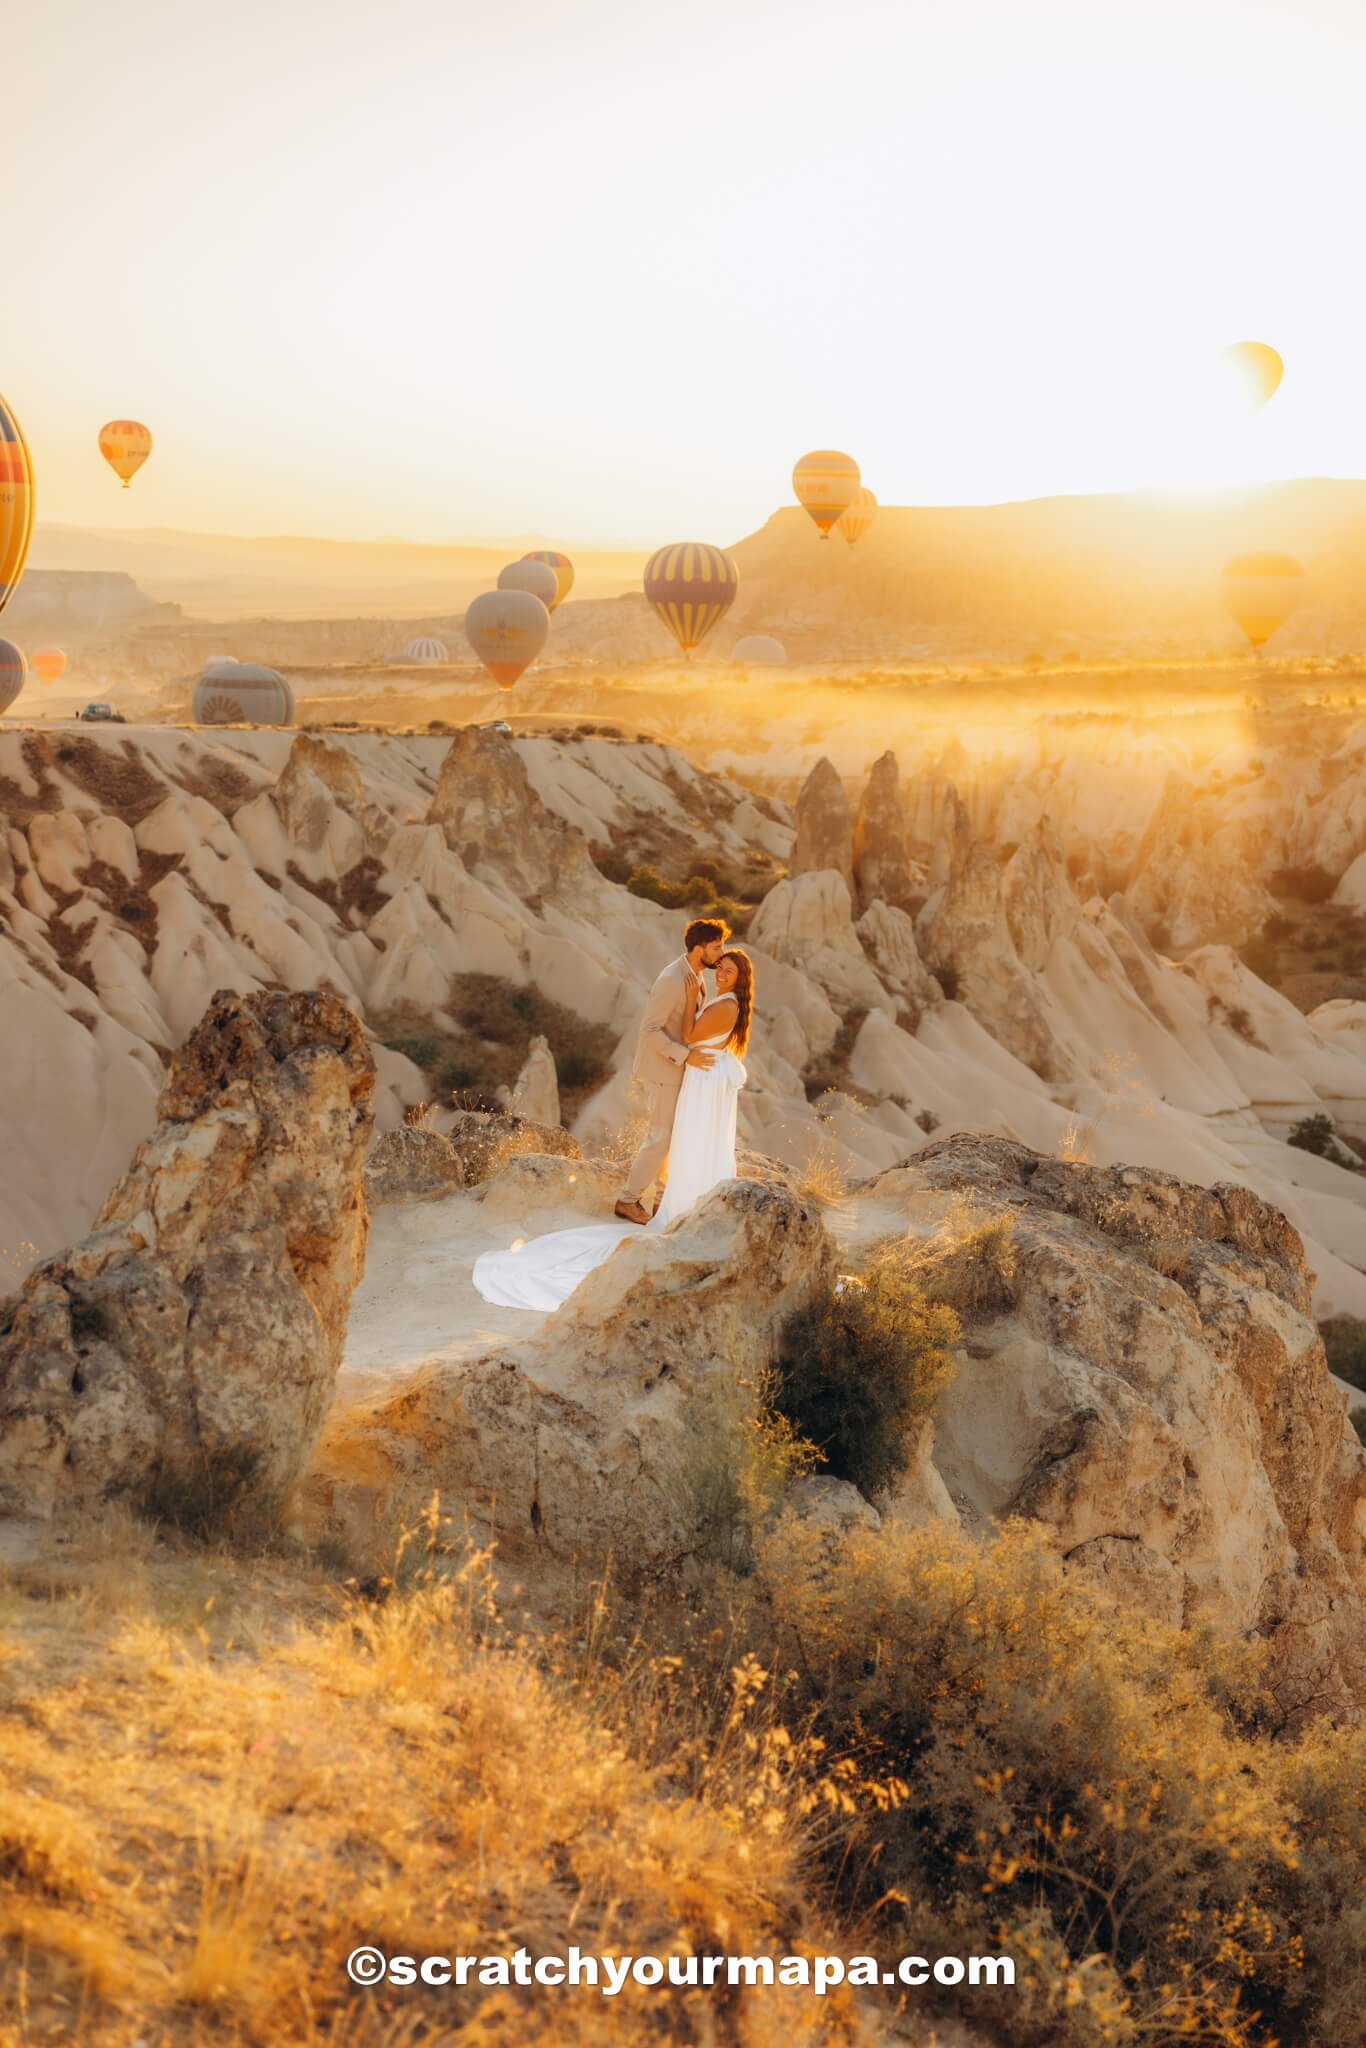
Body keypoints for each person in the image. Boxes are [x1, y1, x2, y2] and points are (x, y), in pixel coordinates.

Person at [471, 946, 756, 1314]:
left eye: (729, 971)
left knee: (695, 1141)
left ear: (741, 978)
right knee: (695, 1142)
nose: (721, 973)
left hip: (703, 1080)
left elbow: (689, 1033)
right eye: (720, 968)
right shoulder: (725, 1003)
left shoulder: (726, 1006)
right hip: (703, 1078)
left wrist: (688, 998)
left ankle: (688, 1203)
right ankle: (692, 1201)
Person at [613, 918, 730, 1226]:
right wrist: (686, 1056)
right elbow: (649, 1030)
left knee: (675, 1137)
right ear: (698, 948)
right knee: (660, 1137)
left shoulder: (695, 975)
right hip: (663, 1069)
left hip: (678, 1070)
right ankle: (628, 1200)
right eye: (717, 947)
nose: (722, 953)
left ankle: (661, 1201)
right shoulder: (671, 979)